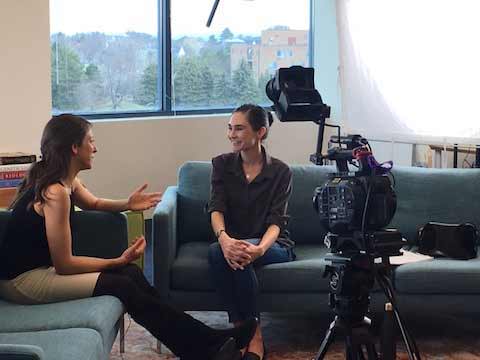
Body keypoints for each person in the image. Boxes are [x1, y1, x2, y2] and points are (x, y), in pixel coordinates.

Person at [0, 114, 257, 360]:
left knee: (132, 274)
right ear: (74, 148)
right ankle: (207, 345)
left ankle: (205, 345)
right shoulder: (55, 192)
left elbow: (95, 203)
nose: (95, 148)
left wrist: (128, 203)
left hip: (40, 272)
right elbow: (65, 265)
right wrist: (115, 262)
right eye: (91, 141)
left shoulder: (67, 181)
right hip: (22, 282)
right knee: (121, 282)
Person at [207, 104, 296, 360]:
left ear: (261, 132)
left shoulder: (281, 171)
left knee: (242, 253)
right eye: (229, 128)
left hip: (273, 244)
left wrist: (259, 249)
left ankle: (251, 334)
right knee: (218, 251)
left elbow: (277, 221)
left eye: (239, 129)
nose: (231, 135)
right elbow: (216, 207)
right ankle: (243, 328)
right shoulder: (222, 165)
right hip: (233, 241)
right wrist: (223, 239)